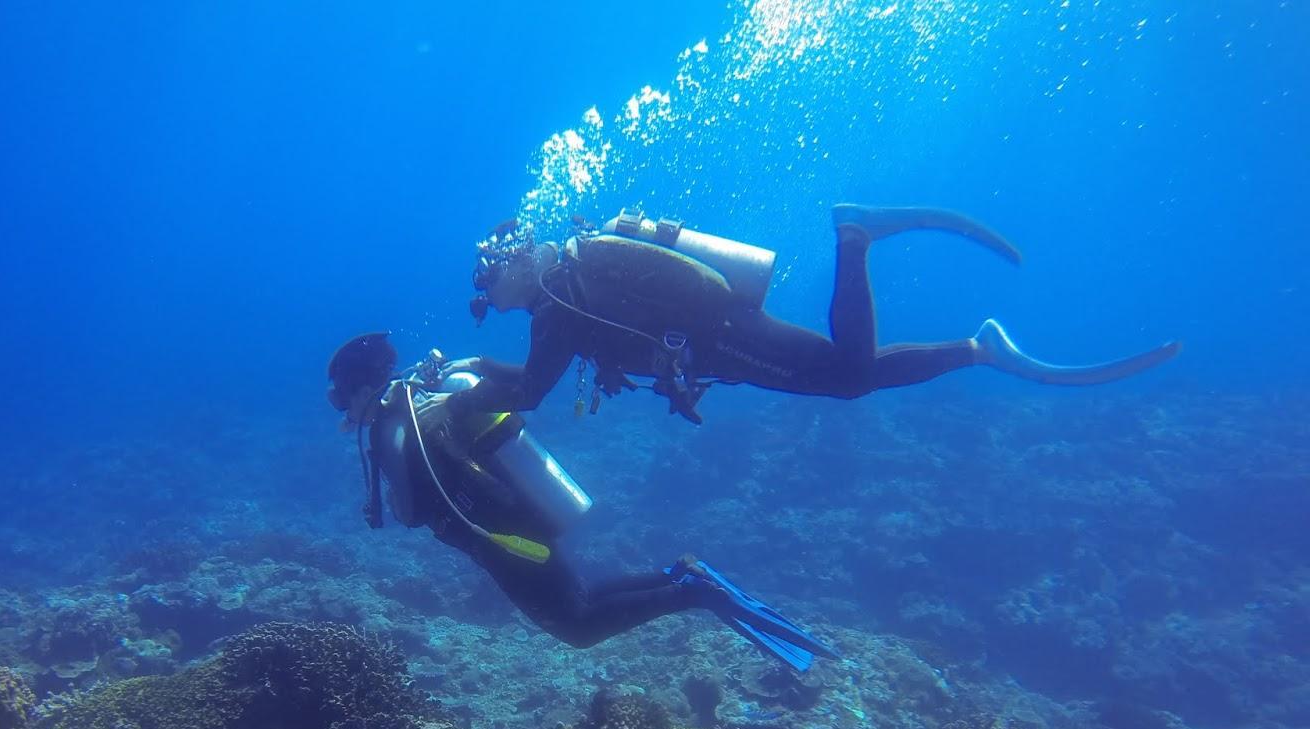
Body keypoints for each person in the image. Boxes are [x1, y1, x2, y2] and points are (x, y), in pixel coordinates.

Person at [326, 331, 834, 669]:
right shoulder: (427, 400)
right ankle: (681, 574)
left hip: (499, 538)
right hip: (518, 519)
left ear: (361, 388)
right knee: (581, 599)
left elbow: (412, 512)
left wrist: (393, 497)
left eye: (340, 396)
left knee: (578, 626)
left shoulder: (390, 428)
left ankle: (699, 594)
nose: (341, 408)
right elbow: (519, 389)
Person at [464, 205, 1182, 423]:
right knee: (849, 377)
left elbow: (529, 390)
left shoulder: (555, 307)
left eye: (486, 286)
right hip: (718, 332)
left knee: (846, 378)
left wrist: (467, 371)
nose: (488, 301)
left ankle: (855, 237)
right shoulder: (572, 283)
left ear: (514, 267)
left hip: (720, 335)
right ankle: (980, 348)